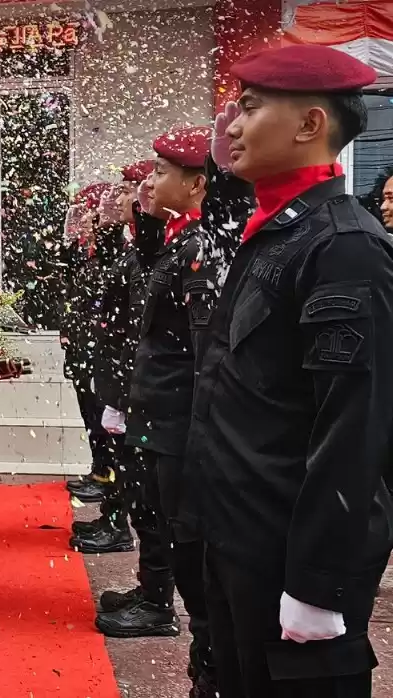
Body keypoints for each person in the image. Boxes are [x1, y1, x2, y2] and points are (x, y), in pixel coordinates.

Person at [188, 45, 393, 697]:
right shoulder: (276, 231)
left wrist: (317, 585)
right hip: (236, 541)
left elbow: (354, 430)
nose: (232, 125)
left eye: (249, 107)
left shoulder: (344, 247)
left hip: (287, 558)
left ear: (309, 125)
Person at [96, 127, 224, 696]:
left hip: (176, 418)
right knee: (149, 508)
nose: (150, 182)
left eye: (162, 174)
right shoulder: (172, 240)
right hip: (152, 409)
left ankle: (181, 630)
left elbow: (201, 354)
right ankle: (154, 596)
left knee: (180, 534)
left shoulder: (199, 249)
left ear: (196, 185)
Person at [73, 162, 151, 545]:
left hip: (127, 368)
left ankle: (118, 525)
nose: (115, 199)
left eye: (125, 190)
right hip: (113, 363)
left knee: (126, 455)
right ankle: (113, 517)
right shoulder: (129, 245)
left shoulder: (144, 249)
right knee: (118, 449)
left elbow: (134, 317)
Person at [65, 180, 136, 555]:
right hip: (93, 354)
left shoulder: (120, 252)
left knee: (115, 444)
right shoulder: (91, 255)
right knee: (101, 432)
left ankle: (116, 521)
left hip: (109, 360)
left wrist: (106, 227)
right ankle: (110, 510)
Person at [60, 183, 121, 508]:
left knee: (101, 414)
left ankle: (106, 474)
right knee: (89, 412)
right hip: (82, 346)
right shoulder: (86, 254)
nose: (81, 220)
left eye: (87, 213)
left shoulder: (110, 255)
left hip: (97, 348)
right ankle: (99, 469)